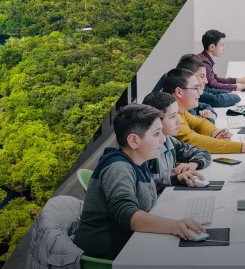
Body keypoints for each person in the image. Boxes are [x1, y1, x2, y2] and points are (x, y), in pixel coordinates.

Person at [73, 104, 205, 260]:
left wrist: (176, 179)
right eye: (157, 134)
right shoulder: (118, 168)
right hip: (111, 252)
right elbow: (127, 214)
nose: (163, 139)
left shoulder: (138, 161)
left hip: (129, 241)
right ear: (134, 140)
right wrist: (174, 226)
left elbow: (144, 188)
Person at [161, 68, 245, 154]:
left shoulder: (180, 110)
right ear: (179, 92)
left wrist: (214, 133)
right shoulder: (170, 116)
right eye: (195, 88)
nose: (200, 93)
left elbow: (201, 123)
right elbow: (194, 140)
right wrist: (243, 147)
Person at [142, 91, 211, 193]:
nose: (179, 121)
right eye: (172, 116)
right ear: (156, 121)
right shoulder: (145, 150)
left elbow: (203, 152)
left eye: (177, 114)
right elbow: (143, 190)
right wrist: (175, 179)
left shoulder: (169, 141)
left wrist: (193, 164)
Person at [176, 53, 241, 108]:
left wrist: (229, 92)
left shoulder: (196, 90)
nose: (206, 81)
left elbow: (210, 91)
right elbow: (216, 100)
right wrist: (234, 95)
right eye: (202, 76)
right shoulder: (191, 92)